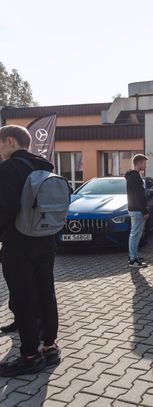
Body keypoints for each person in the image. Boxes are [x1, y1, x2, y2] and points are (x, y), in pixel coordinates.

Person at [0, 125, 61, 376]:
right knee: (46, 293)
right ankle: (50, 348)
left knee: (24, 299)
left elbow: (5, 208)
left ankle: (29, 356)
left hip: (18, 243)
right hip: (46, 240)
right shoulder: (45, 167)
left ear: (10, 141)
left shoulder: (9, 169)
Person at [125, 154, 149, 268]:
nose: (145, 165)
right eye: (144, 163)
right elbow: (138, 196)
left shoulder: (133, 176)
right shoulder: (135, 177)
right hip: (137, 210)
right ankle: (133, 260)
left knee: (134, 234)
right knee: (135, 235)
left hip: (134, 209)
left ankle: (133, 256)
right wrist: (144, 211)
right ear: (138, 163)